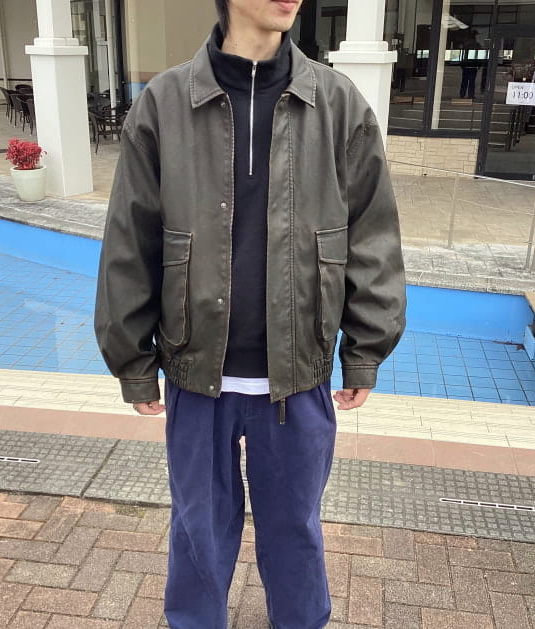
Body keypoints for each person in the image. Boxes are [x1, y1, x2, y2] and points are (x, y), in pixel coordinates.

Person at [94, 0, 406, 626]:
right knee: (198, 532)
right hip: (196, 377)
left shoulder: (338, 104)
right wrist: (133, 362)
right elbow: (131, 238)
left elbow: (372, 235)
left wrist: (365, 351)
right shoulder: (164, 103)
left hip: (298, 378)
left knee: (295, 531)